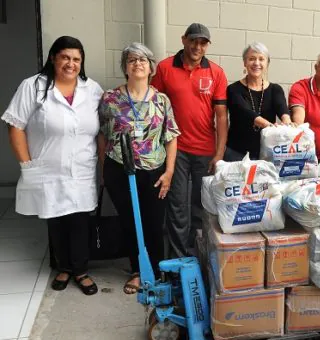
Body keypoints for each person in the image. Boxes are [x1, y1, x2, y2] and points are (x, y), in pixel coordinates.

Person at [1, 36, 102, 295]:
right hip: (48, 167)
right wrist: (26, 164)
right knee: (55, 219)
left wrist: (102, 164)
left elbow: (102, 130)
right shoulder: (33, 86)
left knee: (80, 219)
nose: (71, 64)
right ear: (53, 58)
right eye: (65, 57)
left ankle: (80, 270)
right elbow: (15, 125)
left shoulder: (92, 89)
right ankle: (63, 267)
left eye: (76, 59)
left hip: (81, 168)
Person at [98, 42, 179, 294]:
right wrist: (105, 166)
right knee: (130, 221)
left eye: (143, 60)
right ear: (125, 67)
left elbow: (171, 136)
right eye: (132, 60)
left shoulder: (161, 100)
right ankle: (136, 270)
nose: (138, 64)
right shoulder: (111, 99)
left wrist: (169, 172)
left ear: (151, 67)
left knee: (154, 222)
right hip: (119, 170)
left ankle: (155, 270)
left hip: (154, 170)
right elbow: (101, 134)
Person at [151, 23, 228, 257]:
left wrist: (219, 152)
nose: (197, 46)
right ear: (184, 40)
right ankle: (178, 260)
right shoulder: (165, 68)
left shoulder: (216, 72)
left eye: (203, 42)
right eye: (193, 40)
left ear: (207, 46)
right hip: (176, 151)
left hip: (205, 149)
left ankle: (200, 256)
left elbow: (222, 115)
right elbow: (154, 107)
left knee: (202, 206)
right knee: (177, 207)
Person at [225, 42, 291, 161]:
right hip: (237, 154)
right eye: (251, 59)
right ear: (244, 62)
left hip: (267, 154)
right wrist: (270, 126)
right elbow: (246, 113)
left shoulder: (275, 89)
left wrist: (288, 124)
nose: (256, 63)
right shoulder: (233, 89)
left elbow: (283, 109)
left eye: (261, 59)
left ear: (267, 63)